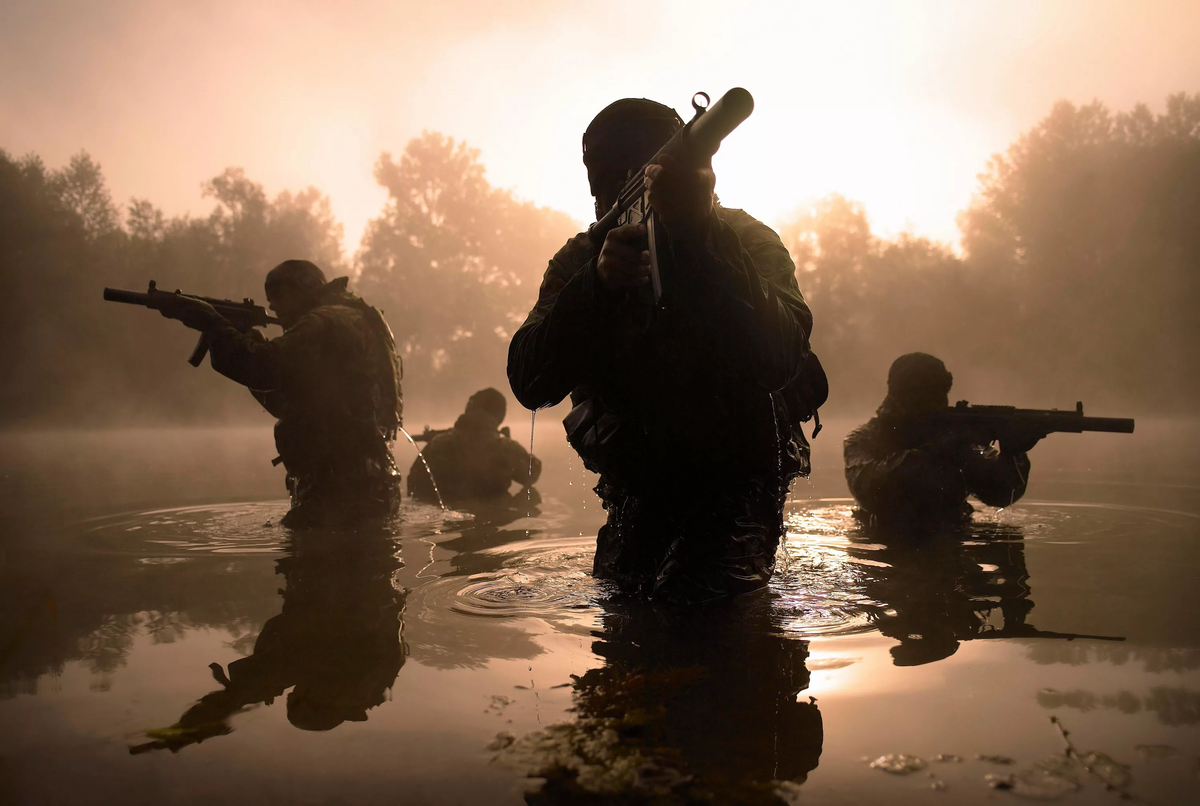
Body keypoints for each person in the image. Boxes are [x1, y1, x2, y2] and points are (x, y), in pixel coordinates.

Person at [507, 97, 817, 603]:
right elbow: (529, 381)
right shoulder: (585, 258)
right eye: (604, 176)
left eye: (633, 171)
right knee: (623, 614)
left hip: (737, 486)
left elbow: (781, 357)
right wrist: (596, 288)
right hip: (635, 492)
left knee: (696, 603)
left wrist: (701, 238)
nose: (614, 187)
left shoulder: (745, 239)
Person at [159, 260, 403, 527]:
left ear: (304, 289)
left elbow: (261, 367)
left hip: (340, 493)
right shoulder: (358, 318)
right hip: (371, 484)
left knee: (313, 562)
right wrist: (244, 339)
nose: (273, 306)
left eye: (278, 296)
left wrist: (214, 324)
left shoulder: (323, 322)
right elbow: (292, 401)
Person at [844, 353, 1041, 526]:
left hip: (953, 539)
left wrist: (1013, 453)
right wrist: (940, 450)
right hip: (882, 544)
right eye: (924, 394)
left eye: (940, 393)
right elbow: (871, 491)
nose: (937, 403)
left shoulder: (953, 437)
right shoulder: (864, 439)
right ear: (899, 396)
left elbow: (1001, 493)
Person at [407, 388, 541, 504]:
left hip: (444, 522)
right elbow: (532, 474)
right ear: (500, 415)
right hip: (492, 522)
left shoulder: (437, 443)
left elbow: (413, 485)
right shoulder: (505, 447)